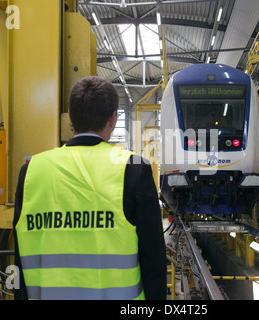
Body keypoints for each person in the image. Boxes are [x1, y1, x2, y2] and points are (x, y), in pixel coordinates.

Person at [13, 76, 167, 300]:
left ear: (70, 116)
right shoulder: (133, 169)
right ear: (113, 118)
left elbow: (19, 262)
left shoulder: (31, 171)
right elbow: (153, 262)